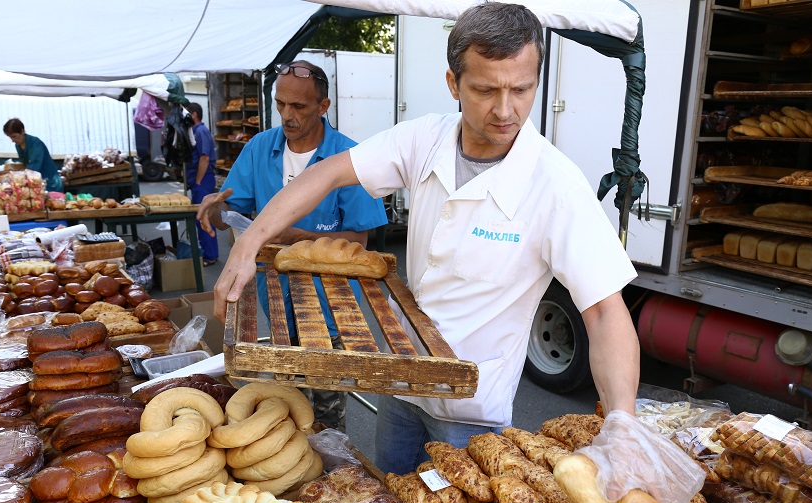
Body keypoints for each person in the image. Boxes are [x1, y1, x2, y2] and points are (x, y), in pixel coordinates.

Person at [213, 4, 640, 474]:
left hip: (470, 416)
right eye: (484, 90)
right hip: (403, 386)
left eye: (522, 89)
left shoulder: (556, 185)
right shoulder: (424, 141)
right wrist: (250, 242)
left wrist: (622, 423)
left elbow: (603, 311)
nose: (505, 109)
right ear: (453, 83)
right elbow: (328, 173)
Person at [197, 60, 388, 432]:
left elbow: (359, 244)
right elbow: (232, 215)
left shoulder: (350, 158)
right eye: (281, 104)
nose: (287, 115)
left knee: (327, 409)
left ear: (323, 106)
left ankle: (334, 476)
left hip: (330, 305)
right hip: (275, 297)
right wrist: (215, 209)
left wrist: (299, 238)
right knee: (288, 402)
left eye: (299, 106)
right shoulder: (259, 148)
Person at [186, 102, 218, 267]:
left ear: (194, 115)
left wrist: (198, 181)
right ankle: (208, 253)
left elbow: (204, 158)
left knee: (204, 218)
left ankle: (210, 255)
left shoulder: (201, 132)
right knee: (200, 218)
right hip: (199, 181)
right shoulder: (195, 132)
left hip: (203, 181)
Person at [2, 119, 63, 192]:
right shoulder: (18, 146)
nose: (13, 140)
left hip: (50, 182)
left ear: (22, 131)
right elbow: (24, 164)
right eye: (10, 137)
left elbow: (35, 165)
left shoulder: (35, 143)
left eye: (14, 136)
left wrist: (20, 177)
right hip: (36, 182)